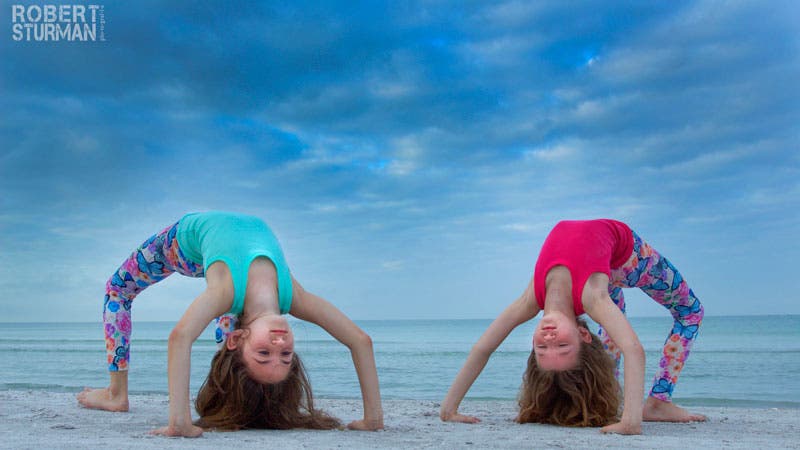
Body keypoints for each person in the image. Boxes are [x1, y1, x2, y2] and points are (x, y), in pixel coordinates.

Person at [77, 211, 383, 436]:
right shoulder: (295, 296)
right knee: (231, 318)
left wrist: (179, 422)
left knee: (116, 290)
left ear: (239, 340)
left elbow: (180, 337)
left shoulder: (224, 292)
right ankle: (226, 388)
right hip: (229, 289)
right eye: (286, 356)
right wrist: (373, 418)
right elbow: (360, 341)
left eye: (265, 354)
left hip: (182, 247)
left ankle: (117, 394)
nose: (279, 346)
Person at [440, 219, 705, 435]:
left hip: (604, 268)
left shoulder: (531, 299)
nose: (549, 337)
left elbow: (483, 347)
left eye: (542, 348)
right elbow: (634, 349)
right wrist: (631, 423)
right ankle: (658, 401)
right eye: (562, 346)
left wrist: (448, 409)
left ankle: (612, 397)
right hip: (628, 260)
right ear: (582, 333)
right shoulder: (592, 297)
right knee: (690, 312)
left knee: (615, 317)